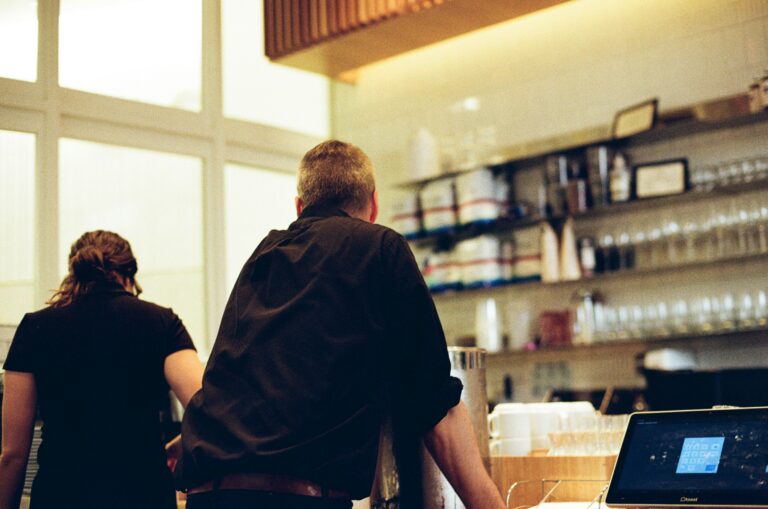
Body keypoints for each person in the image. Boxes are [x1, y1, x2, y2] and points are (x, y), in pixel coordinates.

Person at [176, 140, 505, 509]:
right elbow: (436, 406)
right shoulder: (381, 247)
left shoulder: (263, 255)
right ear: (373, 205)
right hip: (296, 501)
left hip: (209, 495)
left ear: (299, 207)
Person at [0, 230, 205, 509]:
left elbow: (13, 455)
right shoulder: (161, 322)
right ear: (129, 276)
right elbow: (207, 410)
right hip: (142, 495)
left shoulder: (35, 327)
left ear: (74, 273)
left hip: (62, 496)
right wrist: (180, 443)